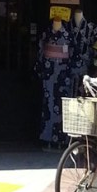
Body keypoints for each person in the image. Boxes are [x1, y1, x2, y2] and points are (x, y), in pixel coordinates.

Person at [35, 18, 74, 149]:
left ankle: (62, 139)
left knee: (63, 104)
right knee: (48, 104)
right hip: (49, 72)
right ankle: (46, 137)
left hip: (64, 73)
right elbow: (41, 51)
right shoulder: (46, 32)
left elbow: (72, 52)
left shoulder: (69, 32)